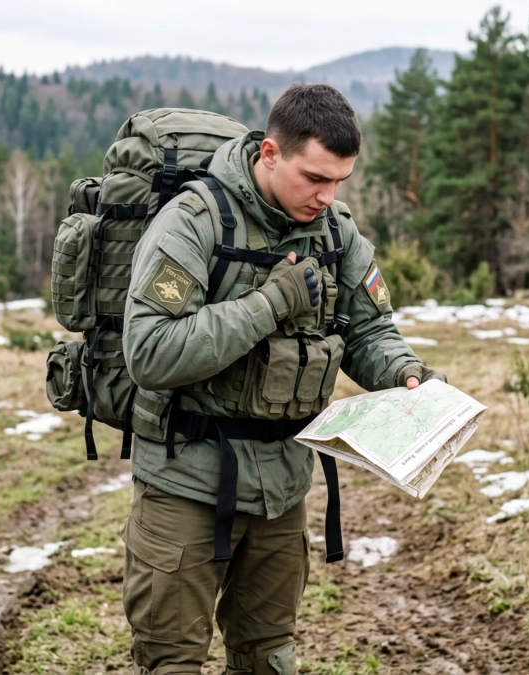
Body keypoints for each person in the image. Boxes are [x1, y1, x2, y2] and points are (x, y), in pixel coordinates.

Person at [121, 84, 446, 675]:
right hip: (187, 482)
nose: (327, 196)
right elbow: (150, 351)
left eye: (340, 182)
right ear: (270, 154)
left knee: (269, 659)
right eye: (315, 178)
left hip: (282, 490)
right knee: (172, 662)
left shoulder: (335, 232)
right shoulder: (192, 222)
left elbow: (369, 330)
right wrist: (269, 304)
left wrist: (405, 372)